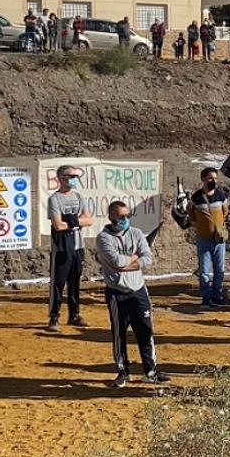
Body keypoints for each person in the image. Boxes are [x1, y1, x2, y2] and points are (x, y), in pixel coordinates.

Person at [96, 200, 170, 387]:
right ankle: (123, 371)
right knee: (119, 333)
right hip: (117, 293)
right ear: (111, 216)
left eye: (128, 215)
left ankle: (150, 371)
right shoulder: (103, 238)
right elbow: (117, 262)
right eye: (121, 216)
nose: (125, 219)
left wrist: (129, 263)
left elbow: (148, 258)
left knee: (145, 331)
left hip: (138, 290)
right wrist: (135, 257)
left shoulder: (136, 233)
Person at [47, 165, 93, 331]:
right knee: (58, 283)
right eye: (71, 176)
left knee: (75, 282)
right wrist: (76, 221)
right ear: (62, 178)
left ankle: (74, 315)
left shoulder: (79, 197)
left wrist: (70, 220)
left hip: (78, 246)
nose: (75, 179)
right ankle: (54, 317)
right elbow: (58, 225)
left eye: (76, 176)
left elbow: (89, 220)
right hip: (61, 246)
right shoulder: (54, 199)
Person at [190, 167, 229, 308]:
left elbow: (225, 212)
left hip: (219, 240)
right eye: (210, 178)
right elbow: (191, 213)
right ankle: (206, 298)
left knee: (219, 270)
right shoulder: (196, 197)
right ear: (203, 179)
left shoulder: (221, 195)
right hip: (204, 240)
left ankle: (217, 296)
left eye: (215, 178)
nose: (213, 181)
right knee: (204, 271)